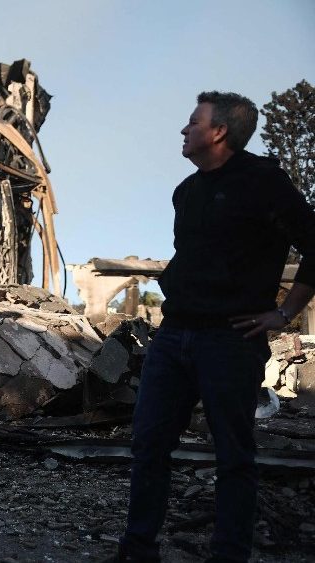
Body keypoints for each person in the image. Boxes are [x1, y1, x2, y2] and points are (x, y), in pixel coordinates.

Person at [112, 92, 315, 562]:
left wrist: (283, 313)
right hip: (173, 334)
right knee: (149, 444)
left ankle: (229, 555)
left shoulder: (264, 182)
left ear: (219, 131)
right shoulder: (187, 191)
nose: (184, 130)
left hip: (230, 339)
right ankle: (138, 550)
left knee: (233, 454)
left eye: (193, 121)